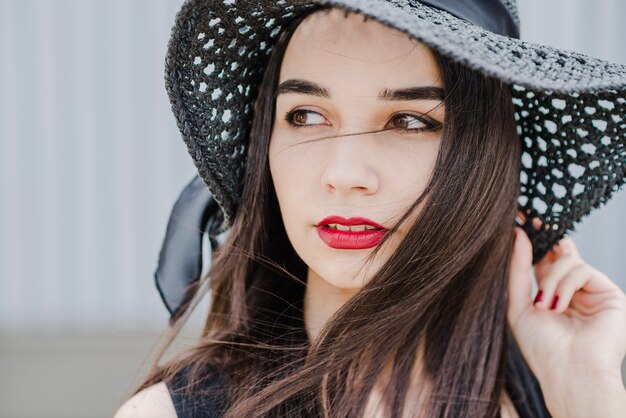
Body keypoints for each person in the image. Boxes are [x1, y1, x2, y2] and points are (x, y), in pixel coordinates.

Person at [115, 1, 626, 417]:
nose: (345, 173)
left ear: (485, 155)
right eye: (306, 115)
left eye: (408, 121)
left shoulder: (556, 396)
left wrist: (585, 394)